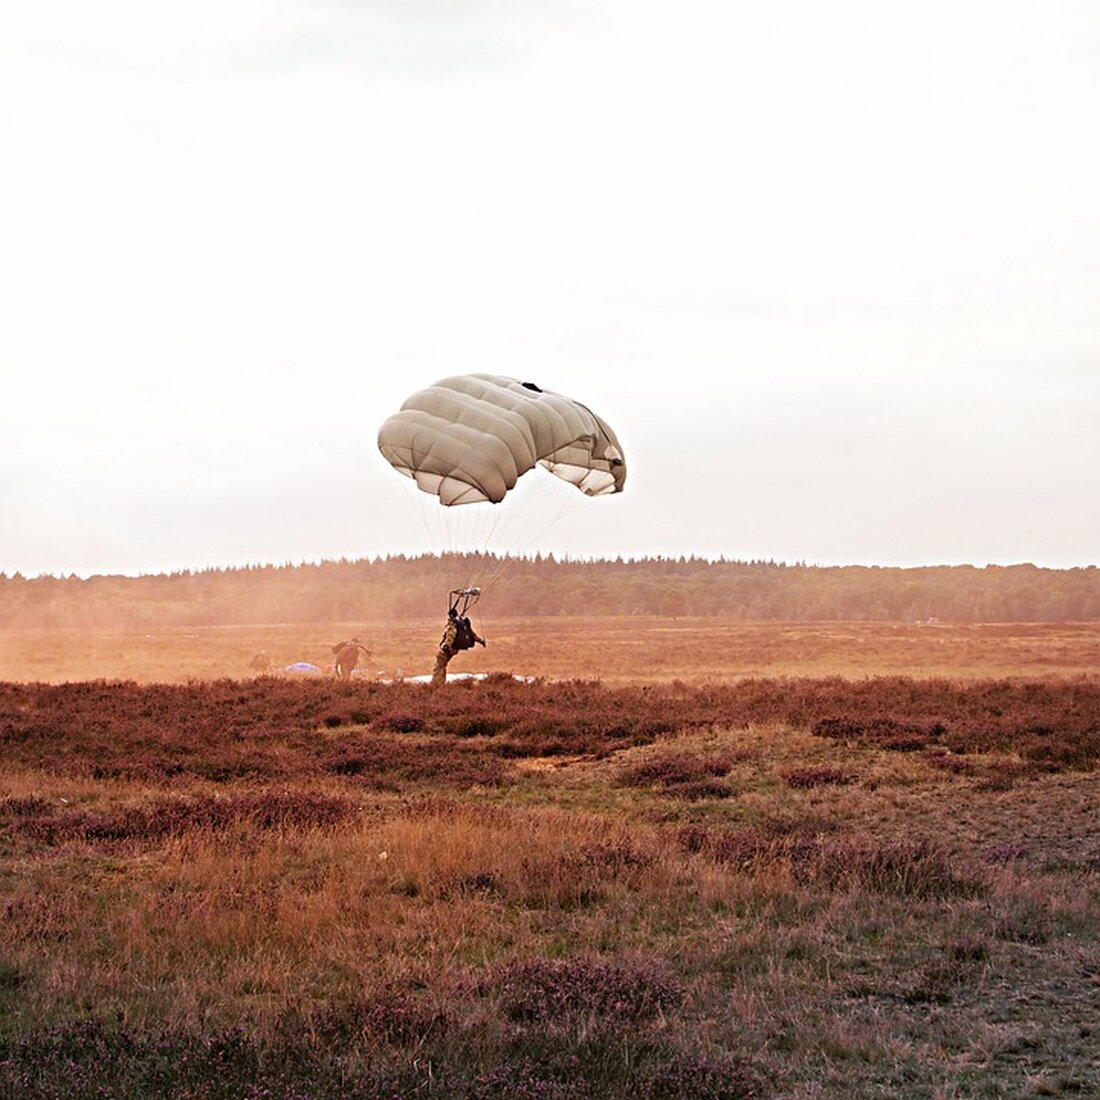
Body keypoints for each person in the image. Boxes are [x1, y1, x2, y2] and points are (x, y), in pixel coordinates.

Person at [431, 607, 485, 687]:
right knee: (443, 665)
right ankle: (441, 683)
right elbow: (472, 635)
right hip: (455, 649)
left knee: (439, 665)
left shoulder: (453, 624)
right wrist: (481, 641)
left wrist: (446, 646)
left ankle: (436, 685)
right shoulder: (462, 623)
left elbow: (451, 635)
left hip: (449, 648)